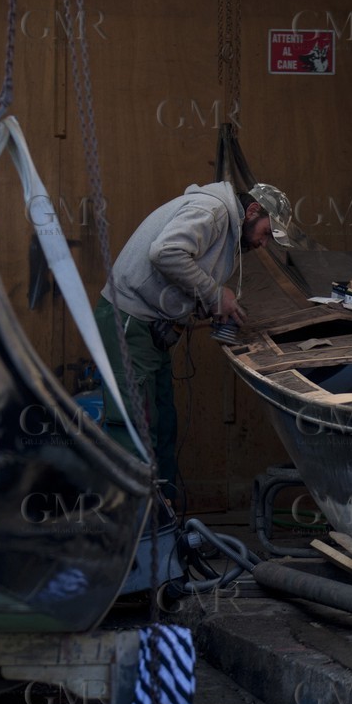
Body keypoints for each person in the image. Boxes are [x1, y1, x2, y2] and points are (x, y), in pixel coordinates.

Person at [94, 182, 274, 488]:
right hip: (129, 321)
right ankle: (133, 526)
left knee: (162, 424)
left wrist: (204, 304)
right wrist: (214, 292)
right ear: (253, 211)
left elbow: (182, 269)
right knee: (135, 428)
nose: (264, 243)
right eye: (267, 232)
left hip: (150, 328)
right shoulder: (213, 211)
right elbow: (165, 252)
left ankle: (162, 518)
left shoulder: (224, 225)